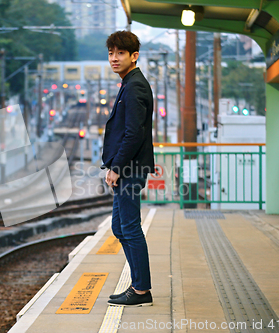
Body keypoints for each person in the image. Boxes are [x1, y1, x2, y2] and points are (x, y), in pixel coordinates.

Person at [101, 30, 155, 307]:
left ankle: (142, 290)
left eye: (120, 53)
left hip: (129, 169)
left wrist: (116, 168)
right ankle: (139, 286)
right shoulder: (128, 83)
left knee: (130, 228)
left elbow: (133, 133)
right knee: (119, 227)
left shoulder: (134, 86)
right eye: (111, 53)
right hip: (126, 167)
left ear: (134, 56)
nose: (114, 58)